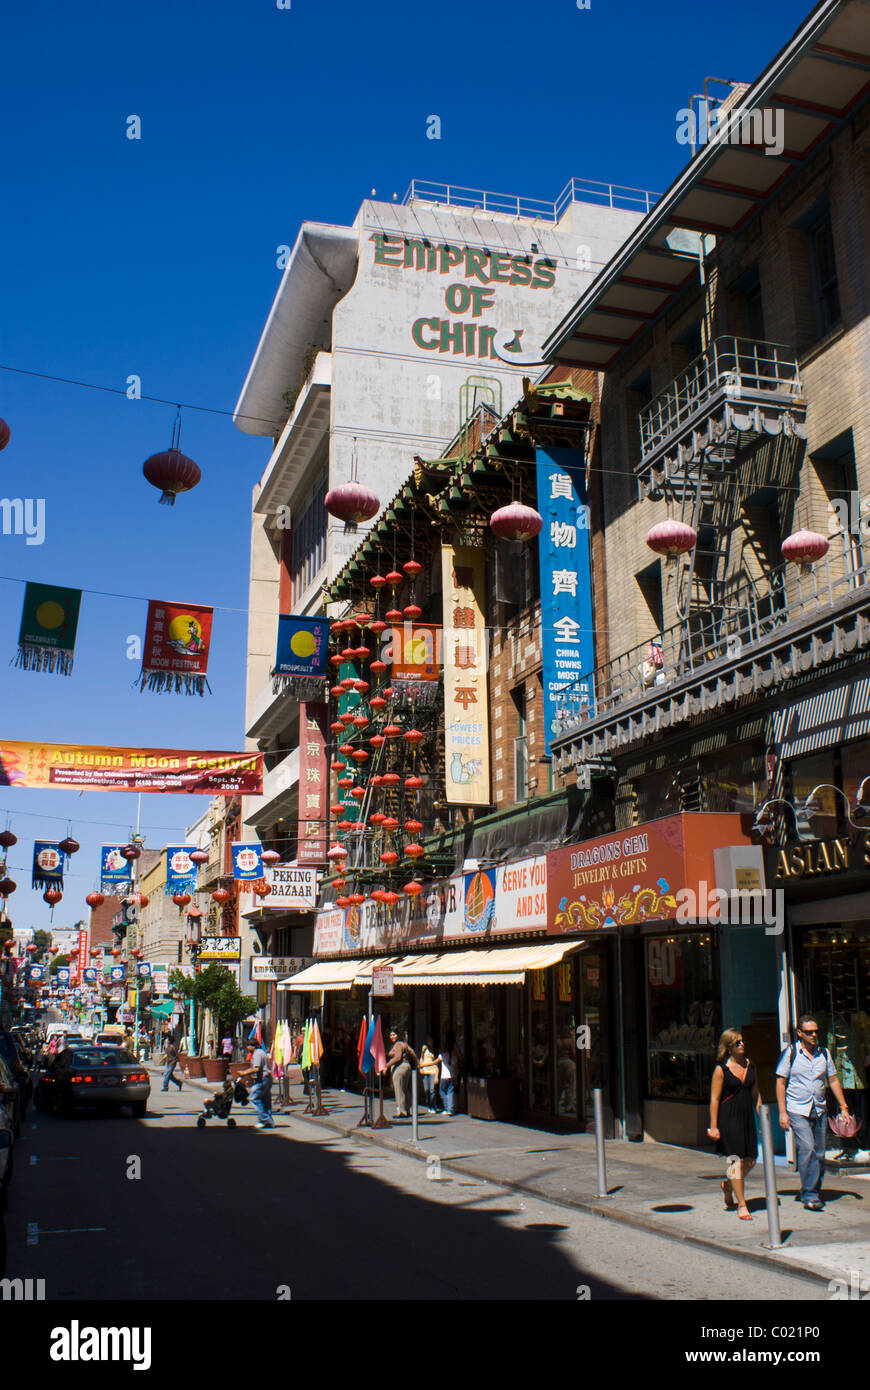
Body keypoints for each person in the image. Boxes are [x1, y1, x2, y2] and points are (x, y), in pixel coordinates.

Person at [776, 1014, 853, 1211]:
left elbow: (833, 1080)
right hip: (797, 1109)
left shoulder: (824, 1054)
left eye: (816, 1031)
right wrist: (782, 1112)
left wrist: (843, 1107)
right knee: (807, 1148)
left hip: (819, 1108)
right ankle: (809, 1193)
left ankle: (812, 1189)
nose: (813, 1035)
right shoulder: (791, 1053)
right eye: (809, 1032)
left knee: (819, 1153)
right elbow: (780, 1082)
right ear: (800, 1033)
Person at [707, 1028, 762, 1220]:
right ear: (728, 1047)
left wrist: (762, 1117)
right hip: (728, 1118)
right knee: (735, 1161)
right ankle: (742, 1204)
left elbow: (755, 1093)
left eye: (742, 1041)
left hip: (747, 1117)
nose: (742, 1044)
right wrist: (713, 1126)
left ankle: (728, 1186)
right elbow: (714, 1099)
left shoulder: (750, 1065)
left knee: (751, 1160)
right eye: (737, 1042)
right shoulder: (721, 1069)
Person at [240, 1038, 275, 1128]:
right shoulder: (261, 1052)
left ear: (252, 1046)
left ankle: (264, 1118)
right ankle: (268, 1121)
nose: (247, 1048)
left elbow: (256, 1068)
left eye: (248, 1046)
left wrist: (244, 1073)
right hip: (267, 1077)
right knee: (265, 1099)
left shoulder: (257, 1054)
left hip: (263, 1078)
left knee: (253, 1097)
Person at [383, 1028, 417, 1119]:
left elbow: (397, 1057)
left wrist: (387, 1065)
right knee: (405, 1089)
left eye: (394, 1034)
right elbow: (412, 1052)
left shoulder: (398, 1044)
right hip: (407, 1066)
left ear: (398, 1035)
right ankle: (407, 1109)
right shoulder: (404, 1044)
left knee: (399, 1090)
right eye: (391, 1035)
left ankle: (401, 1112)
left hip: (400, 1067)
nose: (392, 1037)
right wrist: (417, 1063)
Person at [439, 1031, 462, 1117]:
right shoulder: (455, 1049)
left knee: (442, 1090)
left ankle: (447, 1107)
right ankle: (451, 1108)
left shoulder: (444, 1052)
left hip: (445, 1075)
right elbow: (459, 1057)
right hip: (453, 1073)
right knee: (451, 1090)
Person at [418, 1036, 440, 1113]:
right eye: (428, 1040)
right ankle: (429, 1105)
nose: (429, 1041)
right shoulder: (424, 1048)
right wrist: (420, 1068)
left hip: (432, 1071)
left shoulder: (436, 1050)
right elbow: (421, 1058)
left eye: (431, 1040)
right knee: (426, 1090)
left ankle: (433, 1106)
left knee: (432, 1090)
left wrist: (437, 1076)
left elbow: (437, 1064)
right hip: (425, 1071)